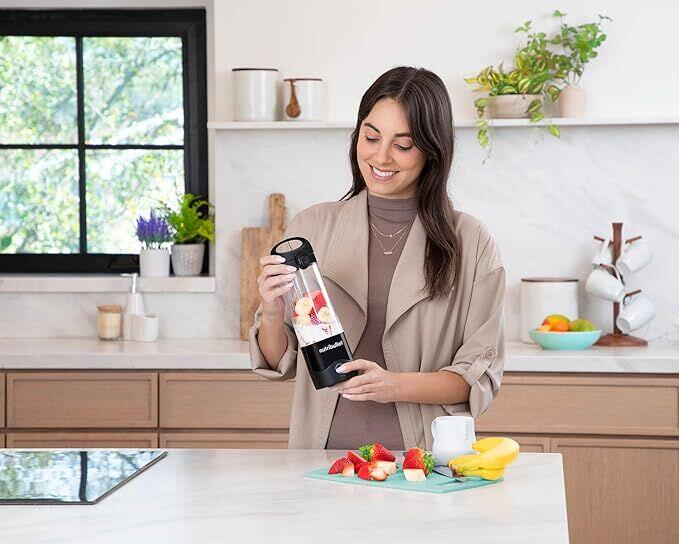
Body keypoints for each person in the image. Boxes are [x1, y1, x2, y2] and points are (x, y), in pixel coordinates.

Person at [249, 66, 505, 451]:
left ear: (433, 151)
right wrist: (271, 310)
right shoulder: (311, 227)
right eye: (371, 137)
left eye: (403, 145)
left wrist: (392, 385)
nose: (381, 157)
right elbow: (278, 362)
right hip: (320, 459)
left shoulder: (471, 242)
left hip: (422, 462)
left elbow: (477, 378)